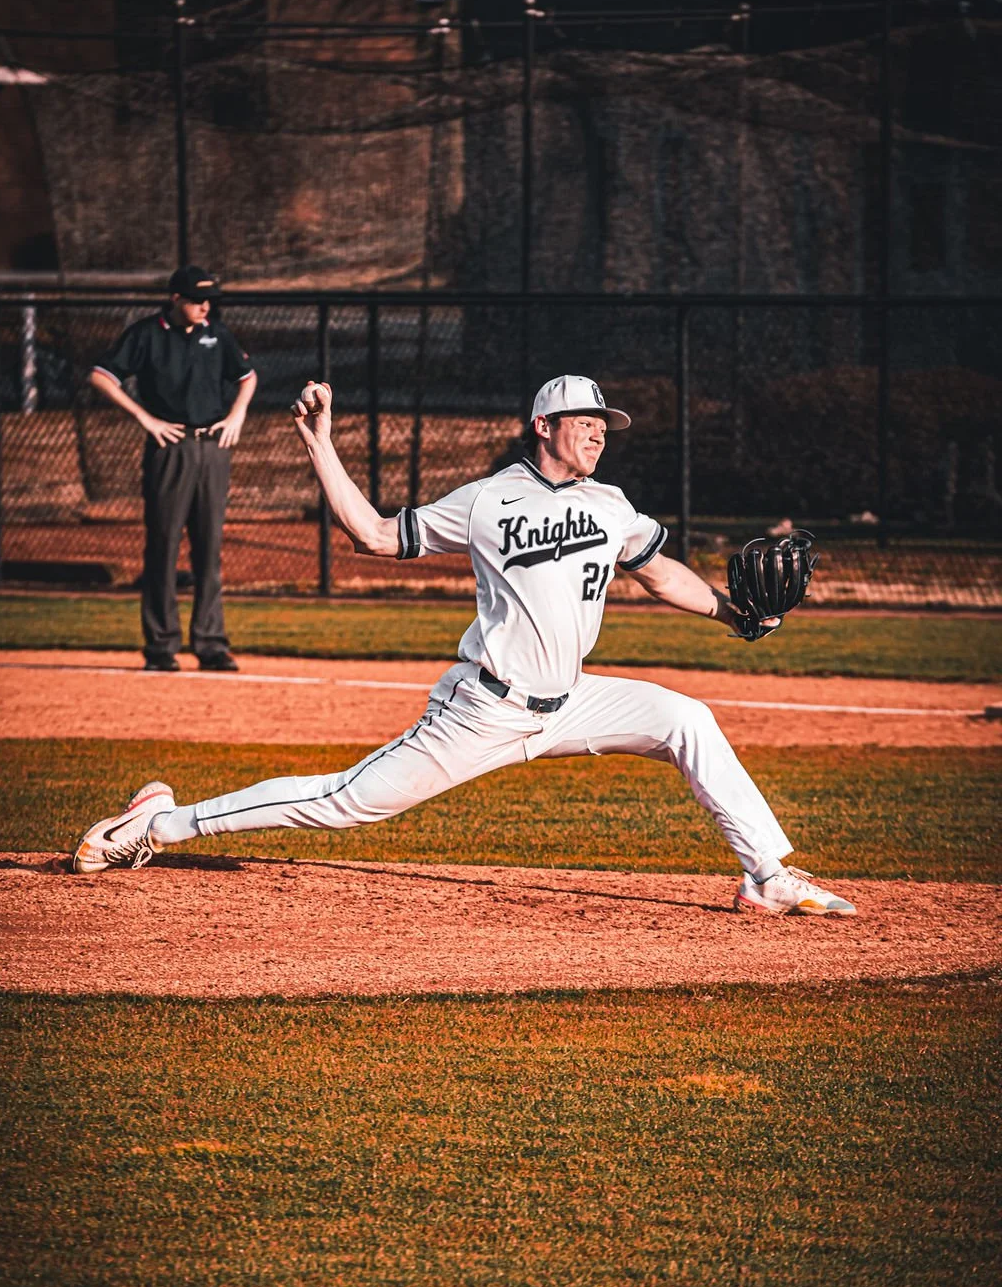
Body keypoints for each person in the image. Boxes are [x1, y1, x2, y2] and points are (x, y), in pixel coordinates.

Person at [73, 374, 855, 917]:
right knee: (348, 804)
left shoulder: (611, 504)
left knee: (688, 719)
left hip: (573, 702)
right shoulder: (485, 501)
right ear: (542, 426)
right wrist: (320, 444)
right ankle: (158, 824)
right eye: (584, 421)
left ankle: (767, 878)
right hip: (484, 709)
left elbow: (658, 573)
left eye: (604, 424)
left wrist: (733, 614)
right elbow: (377, 535)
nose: (598, 433)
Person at [89, 265, 258, 673]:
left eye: (210, 301)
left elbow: (247, 377)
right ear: (176, 299)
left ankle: (211, 644)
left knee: (209, 548)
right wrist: (145, 419)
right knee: (163, 547)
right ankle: (161, 647)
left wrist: (237, 415)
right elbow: (101, 376)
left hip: (212, 448)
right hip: (170, 447)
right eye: (198, 300)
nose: (205, 307)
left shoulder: (216, 333)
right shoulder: (146, 334)